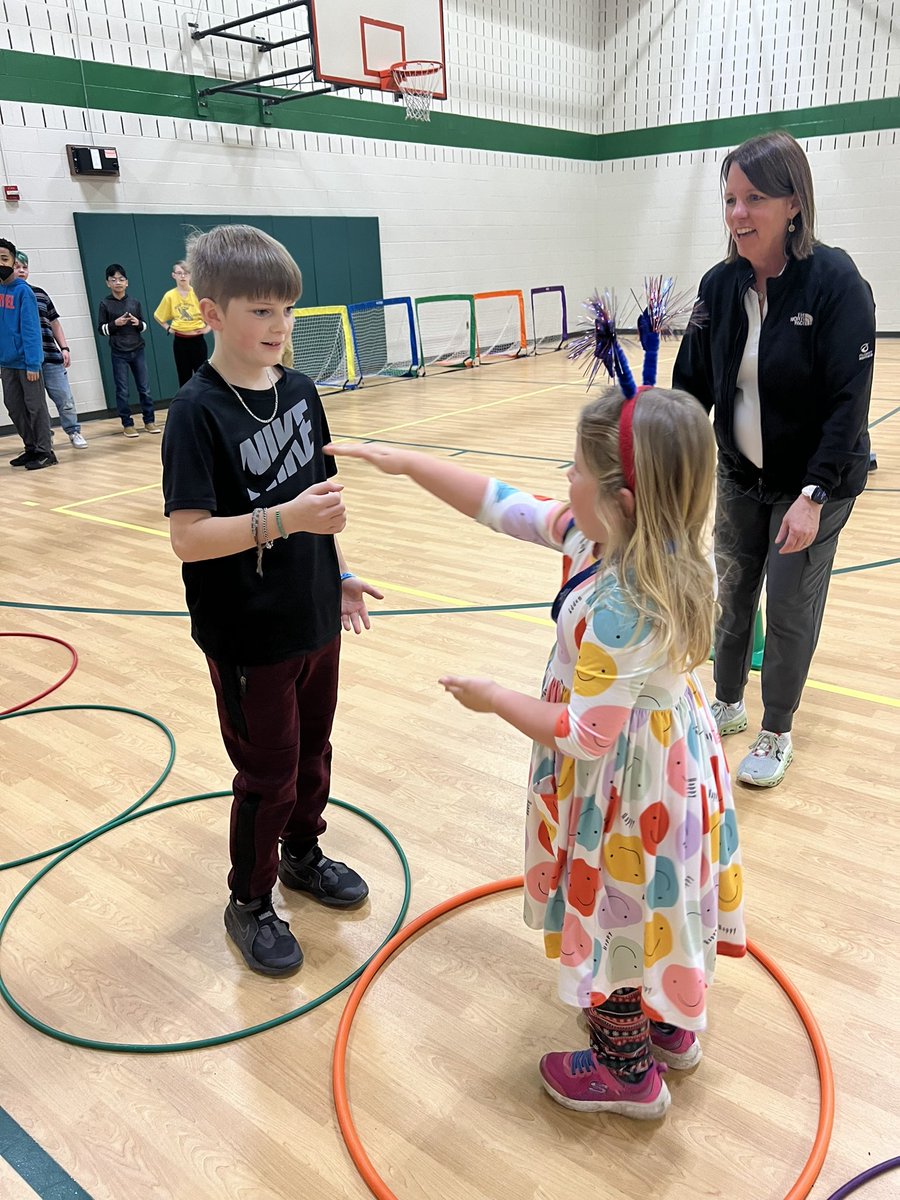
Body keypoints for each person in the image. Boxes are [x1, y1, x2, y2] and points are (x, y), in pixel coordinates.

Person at [328, 381, 746, 1120]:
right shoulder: (633, 542)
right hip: (664, 767)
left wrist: (494, 698)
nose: (564, 481)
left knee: (620, 906)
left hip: (625, 786)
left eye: (576, 470)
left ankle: (625, 1073)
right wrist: (405, 462)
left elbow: (584, 735)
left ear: (621, 498)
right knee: (656, 896)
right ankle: (666, 1024)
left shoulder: (626, 601)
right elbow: (501, 503)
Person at [161, 224, 384, 976]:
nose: (280, 326)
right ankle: (249, 899)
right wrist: (284, 521)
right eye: (260, 311)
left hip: (316, 614)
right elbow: (188, 538)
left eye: (286, 310)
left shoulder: (300, 390)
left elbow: (317, 501)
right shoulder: (196, 412)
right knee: (269, 773)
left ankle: (303, 854)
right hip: (248, 633)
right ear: (211, 312)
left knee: (313, 753)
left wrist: (339, 568)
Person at [673, 130, 875, 788]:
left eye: (753, 198)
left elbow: (849, 404)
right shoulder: (720, 285)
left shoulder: (836, 281)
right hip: (741, 478)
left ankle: (776, 727)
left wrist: (813, 498)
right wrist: (655, 450)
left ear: (793, 204)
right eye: (730, 199)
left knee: (788, 607)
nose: (737, 214)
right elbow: (692, 385)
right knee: (731, 596)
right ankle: (727, 701)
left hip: (814, 484)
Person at [14, 252, 87, 449]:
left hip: (51, 358)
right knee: (36, 404)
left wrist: (64, 347)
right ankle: (46, 436)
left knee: (64, 398)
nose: (21, 270)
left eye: (24, 267)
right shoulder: (8, 297)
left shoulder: (40, 293)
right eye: (17, 266)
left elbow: (54, 322)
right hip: (26, 362)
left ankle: (74, 431)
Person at [0, 237, 55, 470]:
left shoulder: (24, 292)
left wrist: (33, 363)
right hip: (7, 362)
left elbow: (31, 330)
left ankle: (45, 451)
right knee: (14, 406)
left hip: (27, 363)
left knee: (35, 407)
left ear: (13, 262)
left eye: (4, 258)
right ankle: (30, 447)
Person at [97, 264, 159, 437]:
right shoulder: (105, 303)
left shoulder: (134, 302)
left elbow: (144, 326)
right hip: (118, 352)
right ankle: (127, 423)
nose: (118, 282)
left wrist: (136, 322)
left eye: (121, 279)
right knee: (122, 389)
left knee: (144, 388)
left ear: (127, 283)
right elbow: (100, 329)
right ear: (107, 283)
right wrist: (114, 324)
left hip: (137, 349)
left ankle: (149, 421)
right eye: (113, 280)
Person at [154, 261, 210, 386]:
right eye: (179, 273)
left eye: (186, 273)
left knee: (203, 376)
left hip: (198, 340)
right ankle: (187, 405)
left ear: (191, 275)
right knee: (184, 376)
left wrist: (208, 328)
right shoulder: (170, 296)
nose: (183, 276)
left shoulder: (199, 293)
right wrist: (168, 328)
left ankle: (202, 404)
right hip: (180, 342)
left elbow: (213, 312)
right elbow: (158, 316)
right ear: (174, 275)